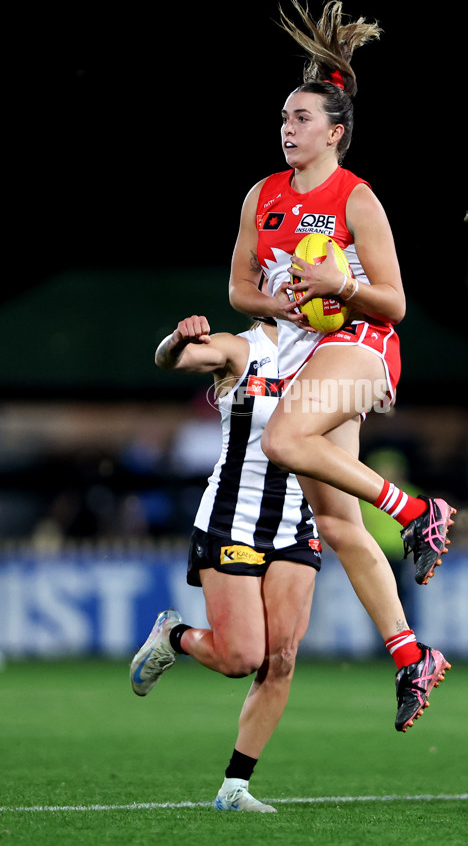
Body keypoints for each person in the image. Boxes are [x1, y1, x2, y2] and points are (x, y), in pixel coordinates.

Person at [229, 0, 456, 727]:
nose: (287, 128)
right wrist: (282, 307)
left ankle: (421, 511)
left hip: (361, 346)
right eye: (284, 118)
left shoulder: (356, 199)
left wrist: (340, 287)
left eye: (301, 119)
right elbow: (237, 289)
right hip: (308, 353)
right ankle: (410, 652)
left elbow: (392, 303)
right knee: (336, 521)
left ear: (336, 132)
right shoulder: (261, 197)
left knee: (285, 441)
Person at [130, 311, 321, 813]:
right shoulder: (241, 348)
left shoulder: (335, 353)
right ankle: (175, 636)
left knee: (281, 658)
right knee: (241, 659)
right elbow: (170, 360)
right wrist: (176, 338)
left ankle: (234, 787)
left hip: (299, 521)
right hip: (233, 518)